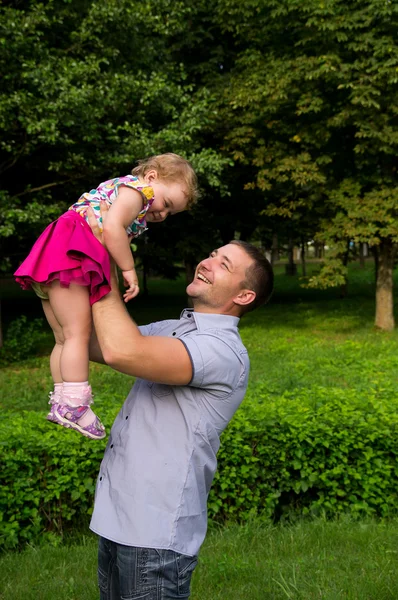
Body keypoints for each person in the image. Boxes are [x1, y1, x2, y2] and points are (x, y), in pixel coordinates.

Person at [87, 203, 274, 599]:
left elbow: (123, 352)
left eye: (224, 264)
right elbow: (92, 342)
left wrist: (100, 261)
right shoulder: (174, 328)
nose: (206, 262)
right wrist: (60, 275)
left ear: (244, 294)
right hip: (117, 517)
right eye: (212, 254)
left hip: (155, 532)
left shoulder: (222, 350)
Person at [14, 153, 198, 440]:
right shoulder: (138, 192)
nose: (163, 213)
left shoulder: (133, 199)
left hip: (58, 250)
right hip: (72, 252)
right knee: (77, 334)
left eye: (171, 213)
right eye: (167, 203)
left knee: (64, 338)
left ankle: (63, 401)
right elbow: (111, 230)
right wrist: (128, 269)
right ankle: (75, 404)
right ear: (151, 177)